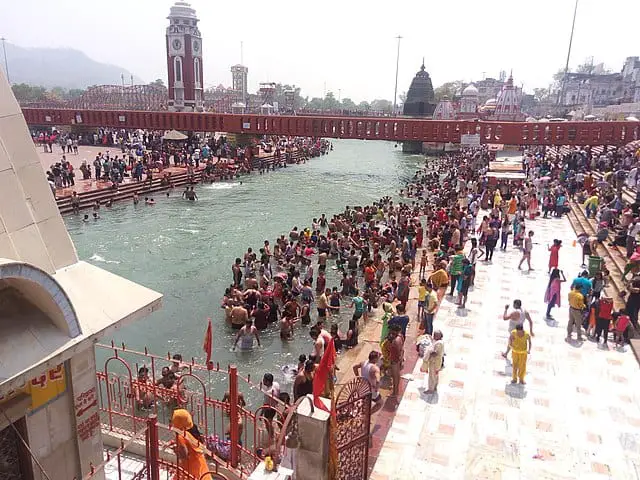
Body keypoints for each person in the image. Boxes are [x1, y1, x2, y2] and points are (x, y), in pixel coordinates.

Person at [170, 409, 212, 480]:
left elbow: (184, 455)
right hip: (198, 461)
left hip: (191, 464)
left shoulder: (180, 436)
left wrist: (175, 450)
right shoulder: (187, 433)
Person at [425, 330, 444, 394]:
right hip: (438, 363)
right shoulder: (440, 342)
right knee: (436, 375)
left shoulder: (438, 343)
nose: (433, 336)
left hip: (434, 362)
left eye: (435, 335)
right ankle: (435, 387)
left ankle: (431, 389)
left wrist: (429, 351)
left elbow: (435, 353)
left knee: (432, 376)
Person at [388, 324, 404, 400]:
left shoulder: (395, 341)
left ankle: (395, 392)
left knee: (395, 377)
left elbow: (396, 352)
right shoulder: (401, 337)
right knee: (397, 376)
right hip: (398, 360)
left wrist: (395, 360)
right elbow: (401, 350)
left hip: (395, 361)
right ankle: (395, 390)